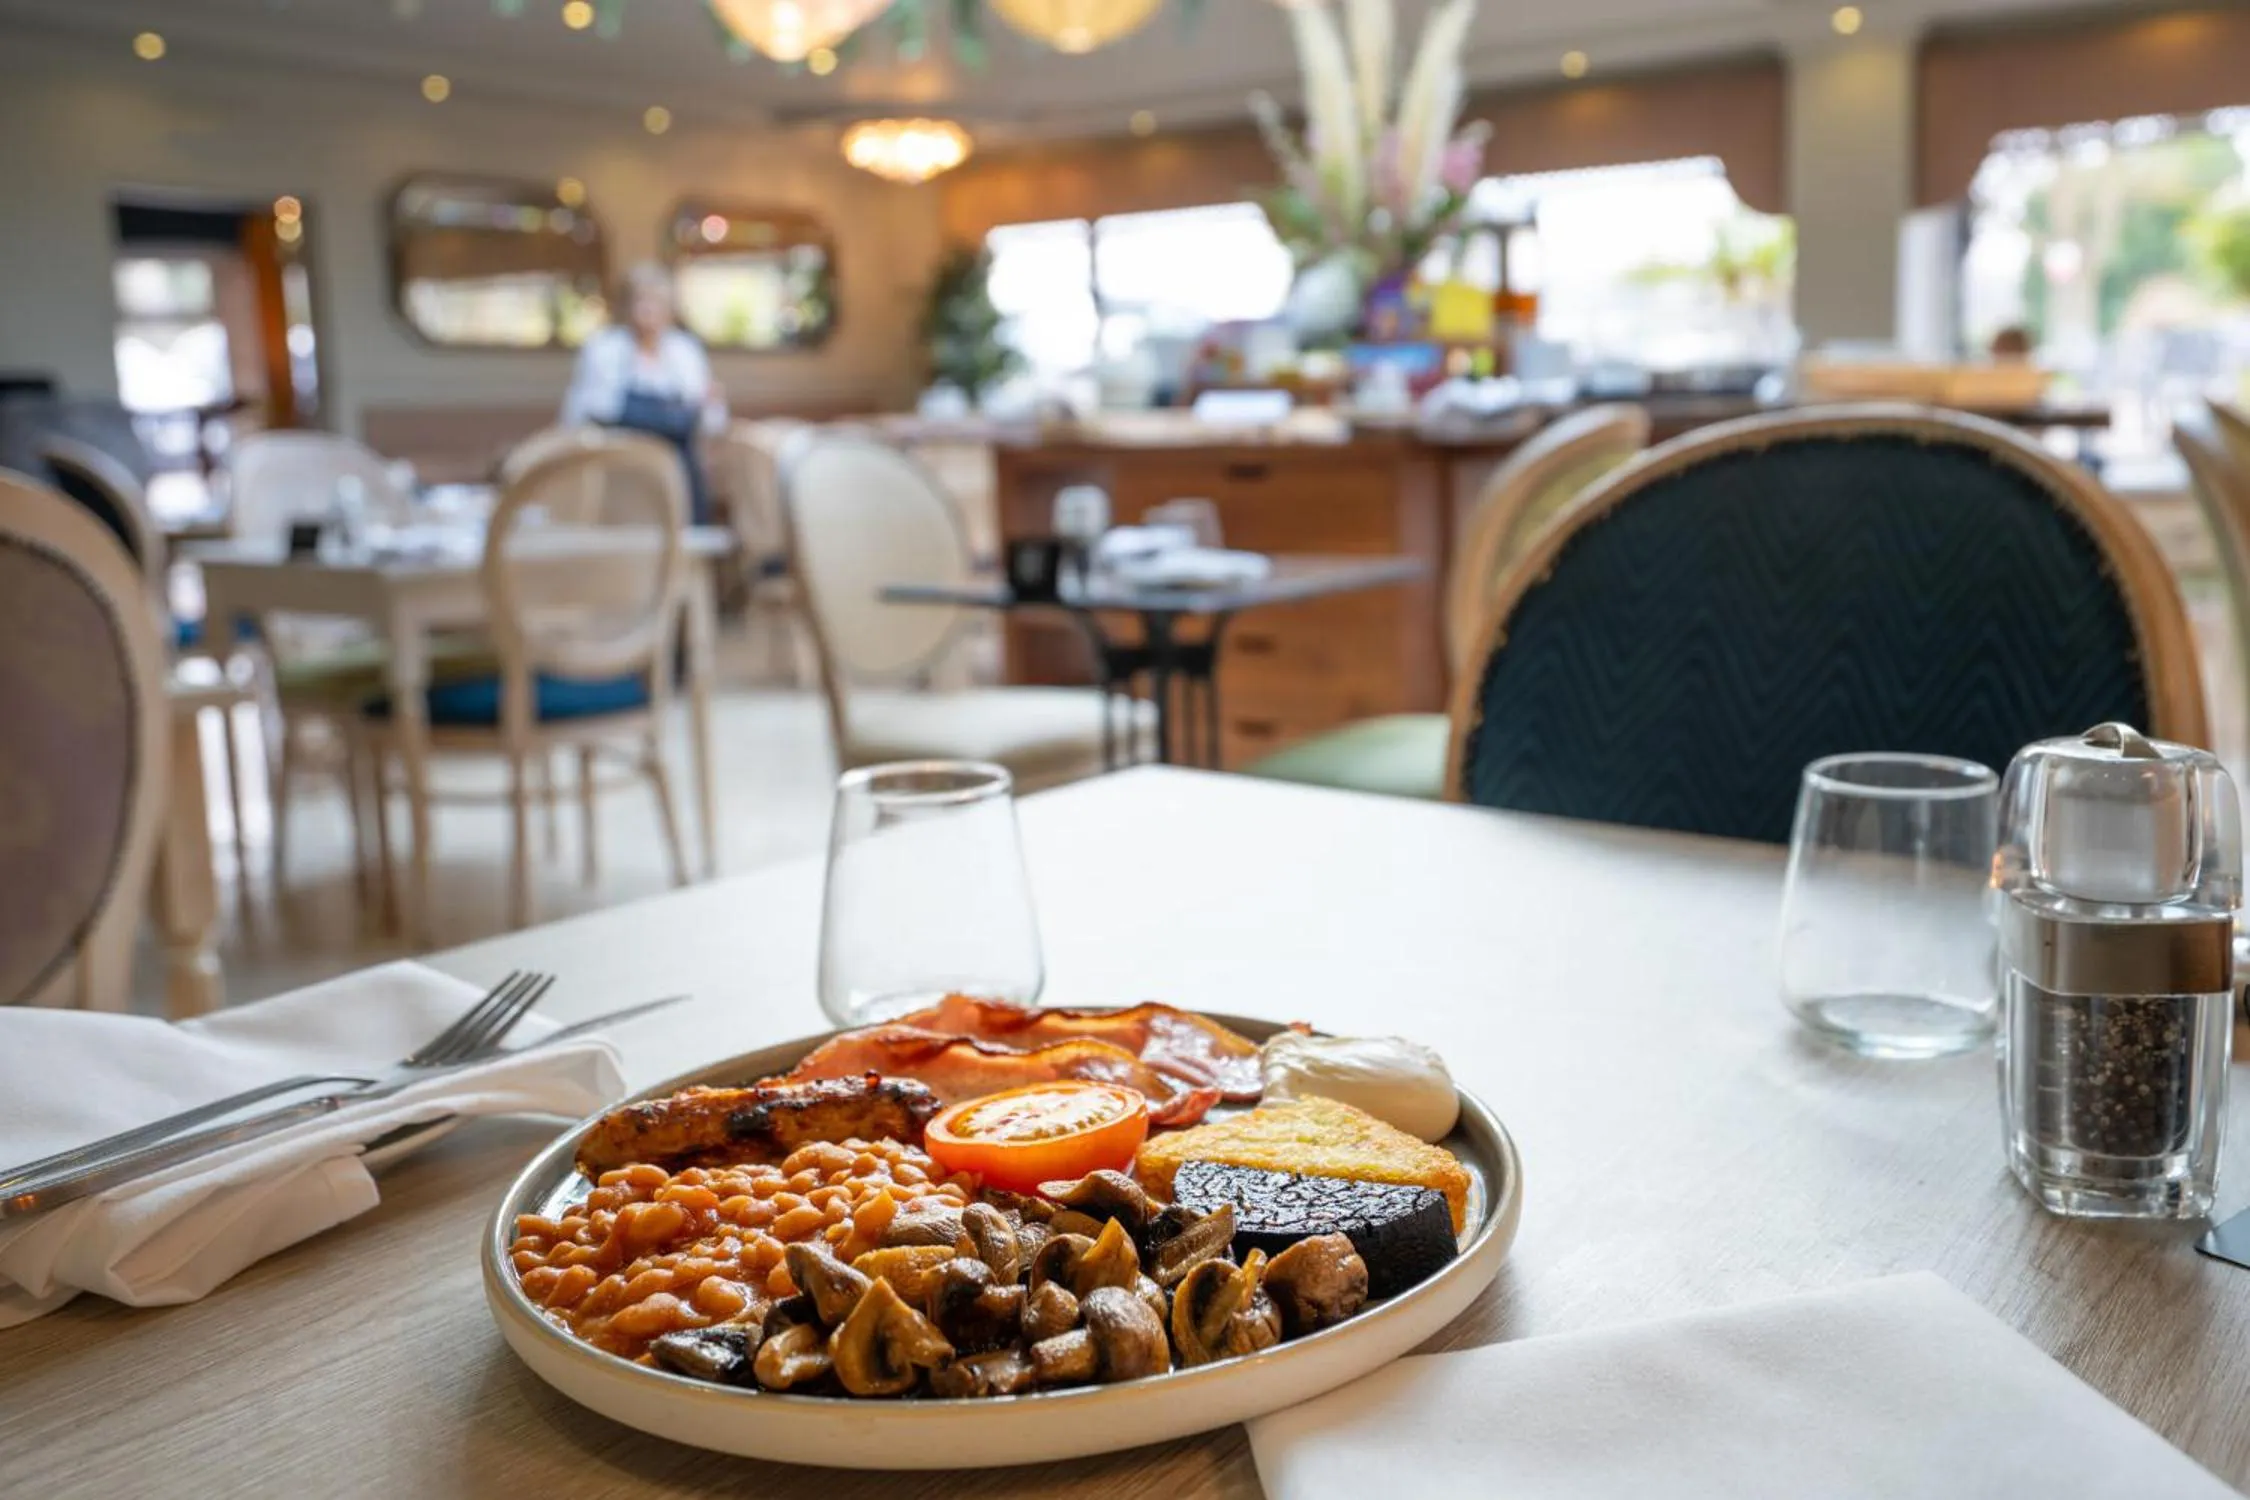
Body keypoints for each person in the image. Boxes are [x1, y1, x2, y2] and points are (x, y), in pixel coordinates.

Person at [561, 262, 725, 523]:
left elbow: (711, 417)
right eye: (642, 301)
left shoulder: (684, 350)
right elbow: (592, 410)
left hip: (680, 456)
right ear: (626, 306)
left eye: (657, 302)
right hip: (621, 453)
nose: (650, 310)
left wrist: (705, 405)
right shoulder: (604, 348)